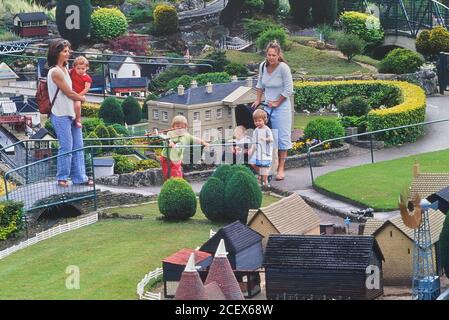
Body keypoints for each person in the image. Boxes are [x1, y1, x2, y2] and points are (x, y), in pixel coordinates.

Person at [46, 38, 92, 187]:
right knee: (66, 147)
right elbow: (69, 93)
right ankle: (62, 177)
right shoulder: (55, 72)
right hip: (60, 114)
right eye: (65, 51)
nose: (68, 53)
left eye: (68, 50)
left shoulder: (66, 68)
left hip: (71, 113)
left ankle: (80, 177)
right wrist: (82, 98)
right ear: (57, 53)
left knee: (78, 146)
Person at [251, 40, 293, 181]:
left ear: (278, 55)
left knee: (282, 138)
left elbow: (289, 89)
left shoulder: (283, 68)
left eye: (274, 55)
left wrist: (277, 102)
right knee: (267, 136)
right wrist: (258, 100)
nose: (271, 57)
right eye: (269, 55)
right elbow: (260, 85)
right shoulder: (263, 66)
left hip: (282, 107)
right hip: (267, 106)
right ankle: (267, 168)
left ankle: (281, 168)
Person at [160, 115, 209, 180]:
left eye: (183, 127)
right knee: (166, 173)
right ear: (173, 127)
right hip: (166, 157)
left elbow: (195, 139)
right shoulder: (170, 133)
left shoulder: (186, 135)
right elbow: (167, 139)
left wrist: (203, 142)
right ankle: (168, 182)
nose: (180, 129)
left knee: (177, 173)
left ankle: (178, 183)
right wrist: (170, 142)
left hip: (177, 158)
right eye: (177, 126)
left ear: (186, 128)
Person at [249, 109, 274, 188]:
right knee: (252, 163)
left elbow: (271, 139)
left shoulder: (267, 129)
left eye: (259, 120)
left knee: (264, 167)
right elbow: (254, 142)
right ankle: (261, 174)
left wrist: (265, 139)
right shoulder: (255, 131)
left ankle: (265, 181)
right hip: (258, 151)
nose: (257, 123)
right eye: (255, 121)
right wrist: (251, 149)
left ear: (264, 120)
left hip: (265, 152)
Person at [69, 56, 92, 128]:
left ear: (87, 68)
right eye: (78, 68)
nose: (80, 70)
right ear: (74, 67)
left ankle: (78, 119)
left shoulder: (87, 78)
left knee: (77, 105)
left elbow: (86, 89)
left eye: (83, 69)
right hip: (71, 92)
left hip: (79, 94)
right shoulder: (72, 71)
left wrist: (79, 95)